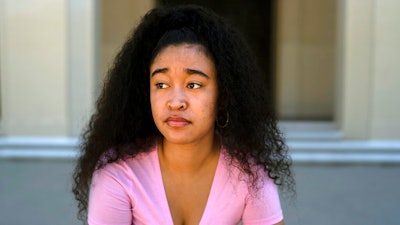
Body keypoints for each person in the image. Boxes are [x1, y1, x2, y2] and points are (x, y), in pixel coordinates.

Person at [72, 4, 294, 225]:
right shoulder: (119, 173)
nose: (175, 102)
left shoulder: (250, 174)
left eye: (194, 85)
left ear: (223, 95)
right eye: (161, 84)